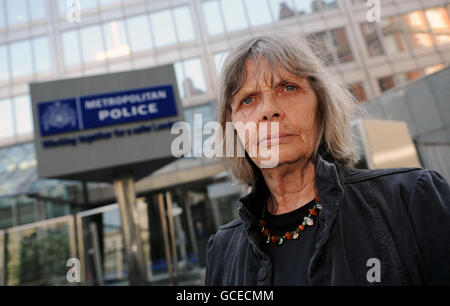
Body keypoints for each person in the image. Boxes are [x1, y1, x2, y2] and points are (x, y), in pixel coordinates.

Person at [204, 32, 450, 286]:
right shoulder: (223, 251)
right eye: (248, 99)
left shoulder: (410, 198)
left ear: (321, 107)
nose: (268, 110)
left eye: (289, 87)